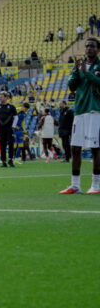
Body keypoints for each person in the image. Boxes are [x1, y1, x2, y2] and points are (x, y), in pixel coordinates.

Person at [60, 38, 100, 194]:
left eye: (92, 46)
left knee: (96, 148)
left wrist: (86, 73)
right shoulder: (78, 65)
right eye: (87, 46)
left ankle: (95, 185)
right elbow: (71, 86)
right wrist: (76, 72)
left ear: (98, 49)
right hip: (80, 110)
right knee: (75, 148)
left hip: (94, 110)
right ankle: (75, 185)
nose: (89, 48)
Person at [0, 91, 17, 168]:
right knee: (2, 145)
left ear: (6, 97)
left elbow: (16, 117)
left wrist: (13, 126)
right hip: (0, 129)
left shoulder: (11, 107)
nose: (0, 98)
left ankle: (10, 160)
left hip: (9, 129)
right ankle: (3, 161)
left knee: (11, 144)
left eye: (1, 97)